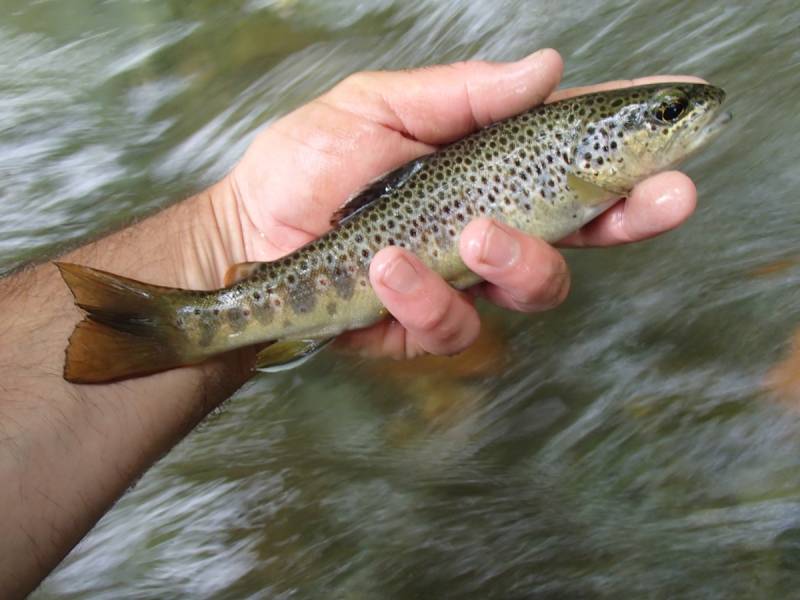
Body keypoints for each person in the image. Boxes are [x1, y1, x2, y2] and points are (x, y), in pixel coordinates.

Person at [0, 48, 699, 597]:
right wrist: (220, 238)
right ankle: (186, 325)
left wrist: (219, 236)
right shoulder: (579, 166)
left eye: (670, 112)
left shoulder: (586, 167)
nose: (686, 116)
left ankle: (194, 325)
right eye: (668, 113)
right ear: (600, 145)